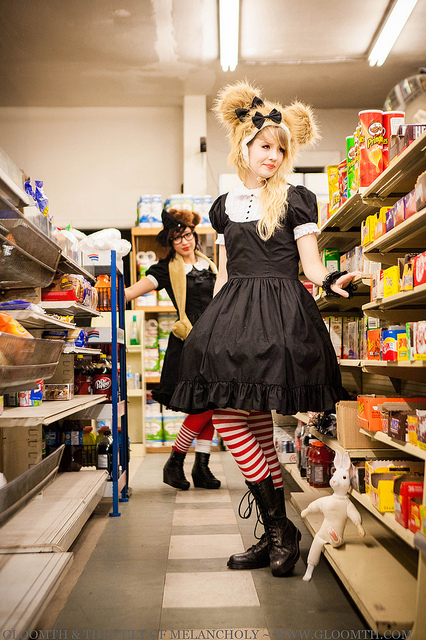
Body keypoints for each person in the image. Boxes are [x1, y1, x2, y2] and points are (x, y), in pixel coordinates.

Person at [169, 82, 359, 577]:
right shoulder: (225, 206)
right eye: (264, 146)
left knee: (241, 420)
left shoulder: (296, 199)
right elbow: (225, 272)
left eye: (279, 148)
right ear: (244, 147)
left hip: (278, 314)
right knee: (241, 419)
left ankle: (278, 531)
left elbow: (310, 265)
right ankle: (278, 531)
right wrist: (211, 326)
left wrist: (331, 279)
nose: (272, 155)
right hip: (233, 314)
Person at [125, 209, 221, 490]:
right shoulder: (165, 269)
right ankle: (175, 461)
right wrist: (104, 291)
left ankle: (201, 467)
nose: (184, 242)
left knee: (214, 404)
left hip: (216, 342)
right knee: (206, 404)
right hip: (190, 344)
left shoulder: (211, 265)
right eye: (177, 238)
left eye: (187, 235)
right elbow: (132, 292)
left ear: (194, 235)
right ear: (170, 243)